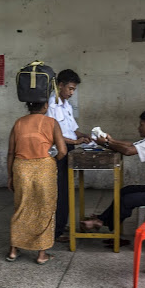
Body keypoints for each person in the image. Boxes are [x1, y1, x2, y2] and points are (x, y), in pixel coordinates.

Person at [80, 109, 145, 235]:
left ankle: (101, 221)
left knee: (127, 200)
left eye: (141, 125)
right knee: (125, 191)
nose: (138, 128)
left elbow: (128, 151)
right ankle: (102, 219)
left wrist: (106, 143)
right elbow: (131, 145)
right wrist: (111, 141)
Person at [7, 101, 67, 264]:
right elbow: (62, 151)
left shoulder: (19, 123)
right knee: (45, 208)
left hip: (21, 167)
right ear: (46, 105)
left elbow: (11, 152)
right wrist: (52, 159)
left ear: (28, 105)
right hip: (44, 168)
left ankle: (13, 250)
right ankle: (41, 254)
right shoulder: (51, 123)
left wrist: (10, 176)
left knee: (21, 206)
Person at [47, 69, 90, 242]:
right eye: (70, 88)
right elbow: (51, 135)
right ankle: (55, 232)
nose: (72, 92)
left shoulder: (66, 105)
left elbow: (73, 129)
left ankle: (60, 224)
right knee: (60, 191)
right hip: (58, 152)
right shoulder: (51, 105)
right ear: (60, 85)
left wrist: (85, 136)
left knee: (66, 190)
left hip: (69, 149)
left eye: (74, 90)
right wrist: (75, 142)